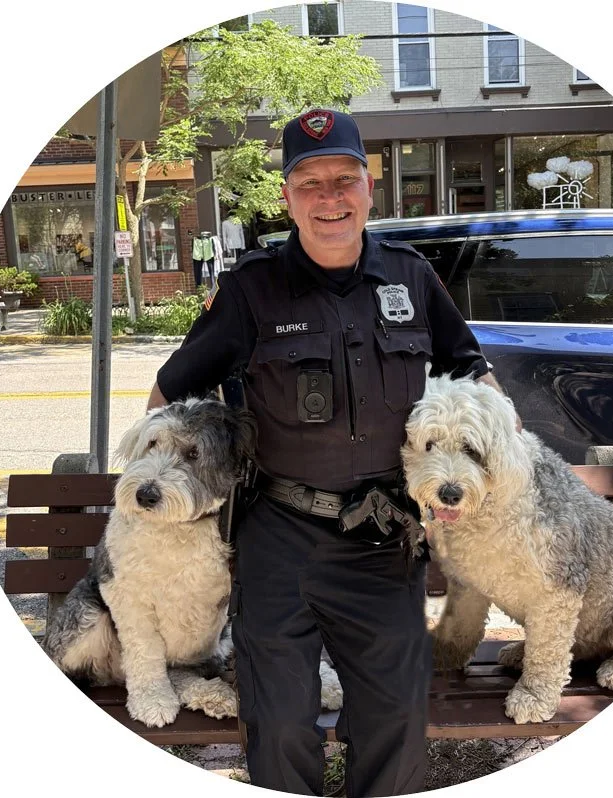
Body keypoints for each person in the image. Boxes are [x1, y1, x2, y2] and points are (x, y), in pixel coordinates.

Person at [147, 109, 504, 796]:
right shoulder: (250, 288)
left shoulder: (411, 278)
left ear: (370, 188)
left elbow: (474, 376)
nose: (329, 197)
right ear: (288, 197)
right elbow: (168, 398)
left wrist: (481, 476)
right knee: (279, 725)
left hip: (383, 538)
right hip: (279, 539)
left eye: (344, 179)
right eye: (310, 183)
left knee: (396, 720)